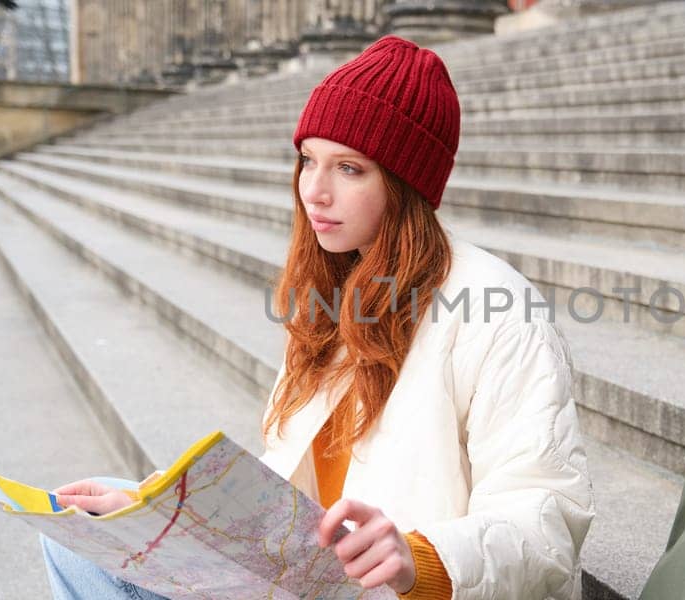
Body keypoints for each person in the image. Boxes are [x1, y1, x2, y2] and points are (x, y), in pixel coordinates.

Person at [39, 34, 596, 600]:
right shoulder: (334, 292)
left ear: (404, 185)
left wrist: (419, 557)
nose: (315, 191)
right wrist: (168, 509)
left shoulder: (498, 309)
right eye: (309, 160)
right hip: (309, 580)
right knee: (77, 525)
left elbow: (546, 522)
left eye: (349, 169)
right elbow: (286, 492)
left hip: (396, 589)